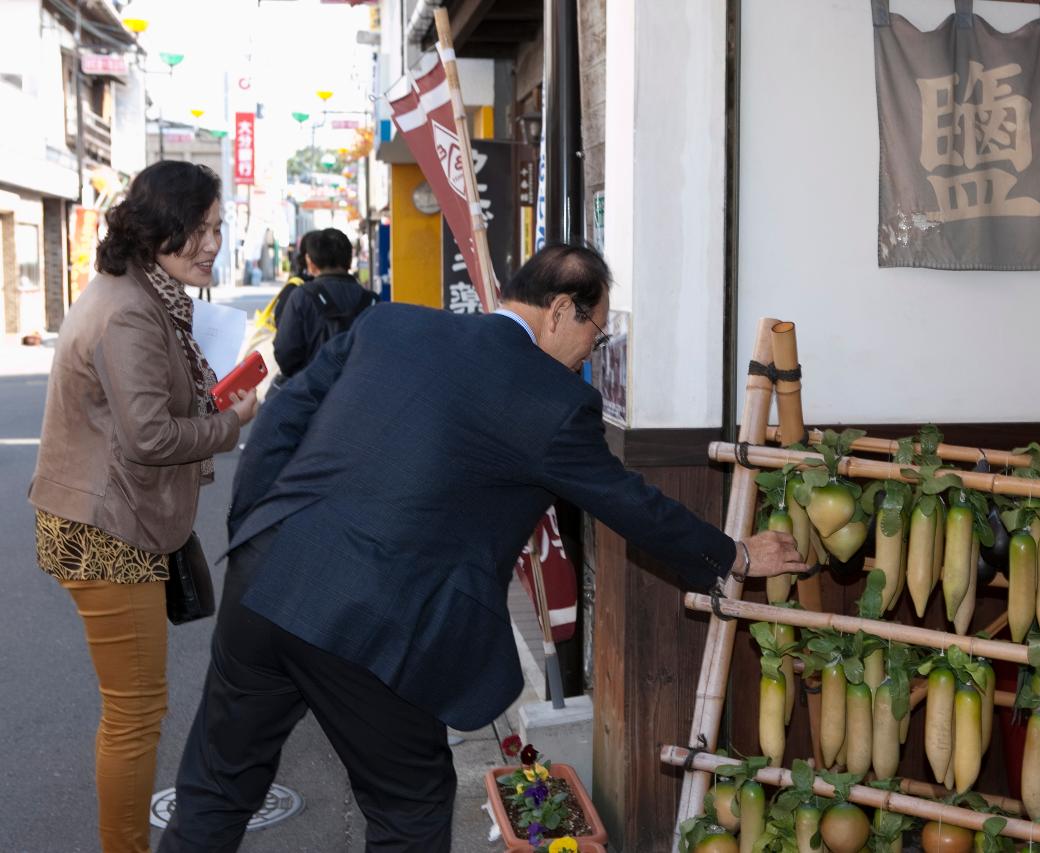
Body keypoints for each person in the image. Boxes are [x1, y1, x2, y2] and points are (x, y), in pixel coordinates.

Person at [158, 243, 805, 852]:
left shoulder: (393, 327)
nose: (591, 351)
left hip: (263, 581)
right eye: (595, 332)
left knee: (217, 786)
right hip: (371, 624)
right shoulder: (552, 399)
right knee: (409, 804)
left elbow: (280, 418)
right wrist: (736, 554)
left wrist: (257, 531)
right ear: (559, 311)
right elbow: (631, 503)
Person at [27, 160, 259, 853]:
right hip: (106, 529)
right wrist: (231, 422)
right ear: (163, 228)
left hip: (109, 517)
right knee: (135, 712)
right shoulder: (131, 310)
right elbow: (152, 435)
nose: (215, 243)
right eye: (203, 229)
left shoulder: (136, 291)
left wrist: (212, 401)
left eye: (220, 228)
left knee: (134, 707)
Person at [272, 227, 377, 379]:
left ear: (310, 262)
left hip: (312, 395)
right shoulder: (372, 300)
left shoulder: (302, 296)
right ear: (349, 259)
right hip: (361, 393)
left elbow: (285, 354)